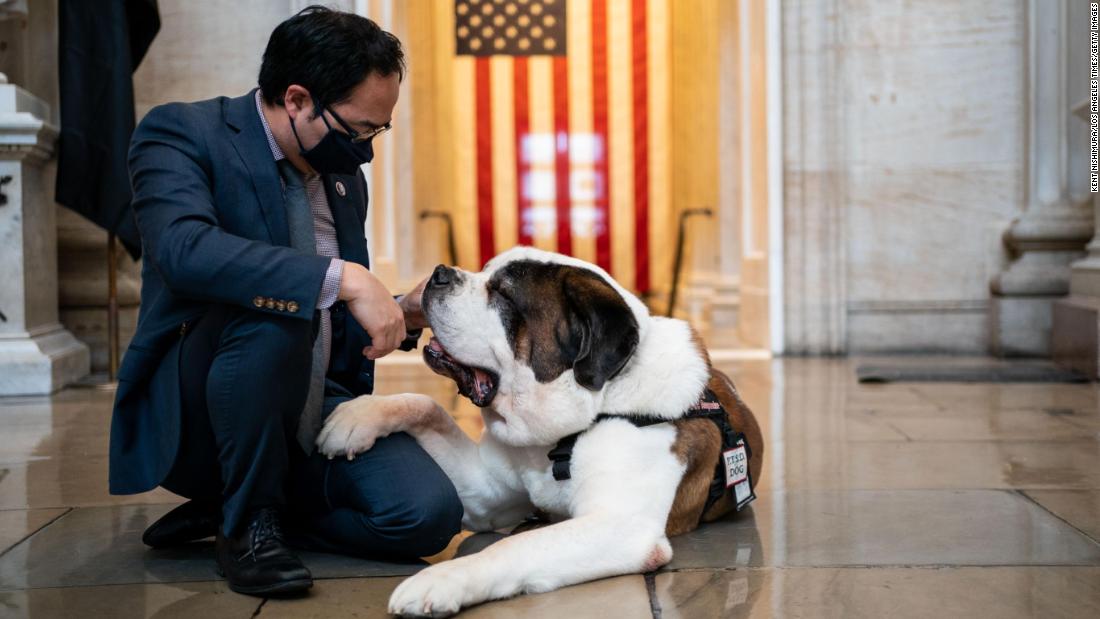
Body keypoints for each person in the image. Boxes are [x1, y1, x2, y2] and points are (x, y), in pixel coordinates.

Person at [108, 6, 463, 596]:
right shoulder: (182, 133)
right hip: (209, 403)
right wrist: (348, 279)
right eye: (358, 131)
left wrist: (400, 309)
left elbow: (335, 311)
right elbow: (184, 250)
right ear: (297, 99)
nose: (366, 152)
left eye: (378, 132)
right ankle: (247, 524)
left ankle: (255, 505)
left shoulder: (343, 177)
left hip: (319, 405)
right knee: (276, 311)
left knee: (425, 517)